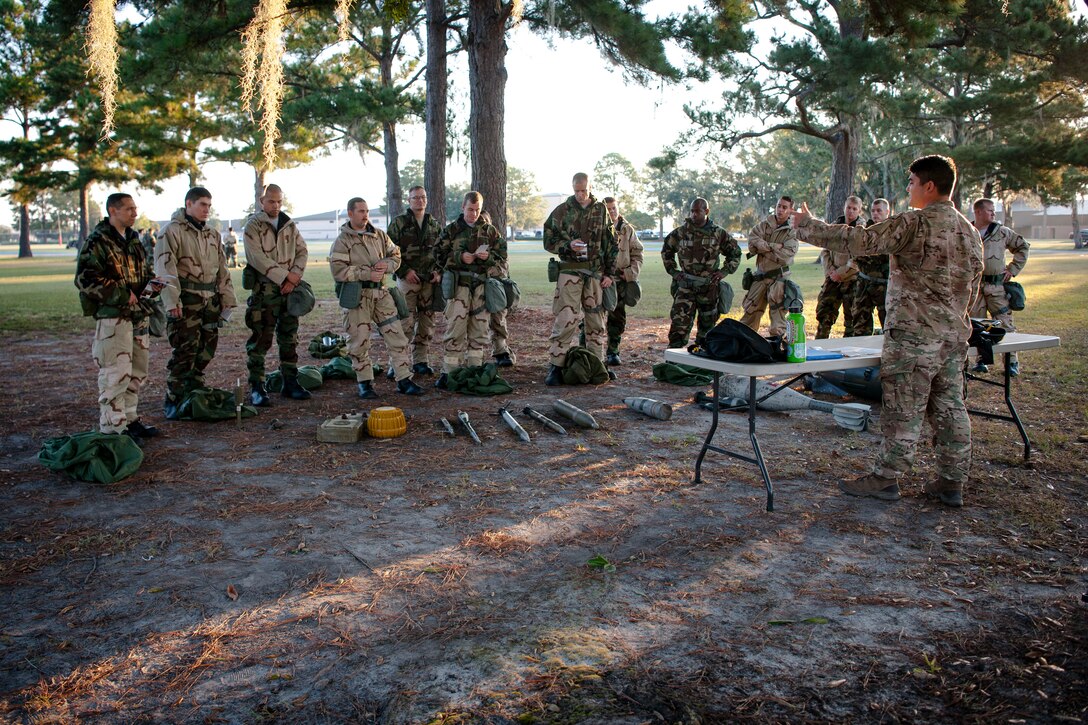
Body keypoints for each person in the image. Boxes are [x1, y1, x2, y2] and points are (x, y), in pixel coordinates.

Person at [791, 154, 984, 507]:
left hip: (914, 338)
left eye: (911, 182)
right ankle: (951, 482)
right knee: (950, 407)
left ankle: (885, 478)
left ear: (929, 186)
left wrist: (806, 226)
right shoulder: (970, 232)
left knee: (902, 409)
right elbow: (973, 284)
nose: (908, 188)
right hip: (953, 337)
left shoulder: (915, 224)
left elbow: (859, 241)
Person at [75, 193, 162, 442]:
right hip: (114, 318)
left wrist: (152, 283)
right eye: (129, 209)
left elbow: (143, 271)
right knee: (115, 372)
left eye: (135, 208)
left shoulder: (133, 239)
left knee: (137, 371)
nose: (135, 213)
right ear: (113, 211)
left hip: (138, 315)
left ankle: (130, 420)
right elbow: (85, 280)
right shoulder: (97, 241)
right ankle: (113, 428)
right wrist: (122, 295)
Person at [329, 198, 425, 399]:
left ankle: (404, 379)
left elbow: (396, 255)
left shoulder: (379, 235)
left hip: (381, 294)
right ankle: (364, 383)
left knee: (397, 335)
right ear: (350, 213)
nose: (365, 215)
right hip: (357, 296)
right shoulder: (343, 241)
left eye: (367, 211)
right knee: (359, 340)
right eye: (361, 211)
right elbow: (338, 271)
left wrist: (387, 265)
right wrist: (366, 274)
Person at [155, 187, 237, 418]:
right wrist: (172, 301)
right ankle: (174, 396)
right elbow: (165, 268)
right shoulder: (171, 231)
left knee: (206, 348)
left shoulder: (212, 234)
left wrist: (227, 299)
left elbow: (222, 268)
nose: (206, 210)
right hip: (187, 299)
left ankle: (195, 388)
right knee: (185, 349)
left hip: (210, 300)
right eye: (202, 204)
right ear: (188, 204)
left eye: (209, 205)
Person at [542, 172, 617, 385]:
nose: (581, 194)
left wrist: (610, 273)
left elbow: (611, 242)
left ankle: (597, 363)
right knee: (566, 318)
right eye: (577, 190)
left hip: (594, 273)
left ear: (590, 187)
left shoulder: (600, 210)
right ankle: (556, 366)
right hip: (570, 272)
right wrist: (566, 246)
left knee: (595, 320)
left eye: (584, 190)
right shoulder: (562, 211)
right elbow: (547, 239)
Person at [242, 183, 310, 405]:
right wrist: (285, 277)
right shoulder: (253, 226)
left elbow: (302, 251)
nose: (276, 205)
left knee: (289, 336)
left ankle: (290, 382)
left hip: (289, 289)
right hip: (265, 290)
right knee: (261, 338)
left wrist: (294, 277)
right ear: (262, 201)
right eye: (272, 201)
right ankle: (257, 387)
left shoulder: (289, 225)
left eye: (280, 201)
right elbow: (257, 258)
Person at [432, 192, 508, 389]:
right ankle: (449, 372)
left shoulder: (490, 231)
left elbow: (502, 257)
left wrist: (487, 258)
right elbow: (438, 255)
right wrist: (459, 257)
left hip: (481, 288)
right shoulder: (451, 230)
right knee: (455, 329)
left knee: (479, 330)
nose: (473, 214)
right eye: (470, 210)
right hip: (459, 287)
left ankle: (475, 370)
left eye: (477, 210)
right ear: (462, 208)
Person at [661, 197, 741, 349]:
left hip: (708, 288)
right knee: (679, 326)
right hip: (686, 287)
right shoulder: (681, 232)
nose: (693, 215)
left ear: (706, 211)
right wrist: (674, 272)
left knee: (707, 329)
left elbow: (735, 253)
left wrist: (724, 272)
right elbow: (667, 250)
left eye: (697, 211)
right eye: (692, 211)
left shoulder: (718, 233)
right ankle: (674, 362)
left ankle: (704, 363)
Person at [385, 186, 443, 377]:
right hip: (407, 281)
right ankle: (398, 364)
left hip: (429, 282)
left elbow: (441, 252)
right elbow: (388, 252)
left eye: (423, 197)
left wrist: (438, 272)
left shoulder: (434, 224)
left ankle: (420, 361)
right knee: (404, 323)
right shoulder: (399, 223)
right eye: (415, 198)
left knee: (427, 324)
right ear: (409, 201)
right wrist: (404, 270)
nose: (419, 201)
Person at [970, 198, 1030, 376]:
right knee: (978, 325)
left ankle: (1011, 362)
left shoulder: (1002, 232)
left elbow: (1023, 246)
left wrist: (1013, 269)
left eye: (994, 211)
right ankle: (982, 360)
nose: (993, 214)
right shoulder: (967, 231)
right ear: (978, 212)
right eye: (990, 210)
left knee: (1005, 324)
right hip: (975, 288)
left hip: (996, 287)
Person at [739, 195, 798, 336]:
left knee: (778, 322)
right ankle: (745, 348)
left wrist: (763, 249)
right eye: (779, 206)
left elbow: (785, 256)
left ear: (791, 210)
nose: (780, 210)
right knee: (749, 317)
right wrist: (773, 246)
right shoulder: (764, 225)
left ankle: (779, 348)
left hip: (779, 280)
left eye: (785, 207)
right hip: (759, 278)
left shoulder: (793, 230)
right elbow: (752, 242)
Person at [602, 196, 644, 366]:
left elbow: (638, 254)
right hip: (601, 279)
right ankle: (589, 351)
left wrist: (629, 274)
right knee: (592, 316)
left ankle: (613, 351)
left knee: (617, 317)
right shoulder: (598, 228)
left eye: (613, 208)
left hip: (620, 280)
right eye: (608, 209)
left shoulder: (627, 230)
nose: (611, 211)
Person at [814, 196, 862, 338]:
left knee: (852, 317)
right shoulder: (834, 226)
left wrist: (841, 273)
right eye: (848, 207)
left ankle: (849, 346)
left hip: (851, 279)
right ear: (844, 208)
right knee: (824, 313)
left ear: (859, 211)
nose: (851, 211)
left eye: (854, 209)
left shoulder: (862, 229)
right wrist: (830, 270)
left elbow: (859, 258)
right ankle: (820, 343)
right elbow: (825, 250)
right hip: (832, 278)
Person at [851, 198, 892, 336]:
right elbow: (856, 253)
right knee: (860, 324)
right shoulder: (864, 230)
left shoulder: (893, 230)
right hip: (864, 283)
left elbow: (887, 256)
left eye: (879, 210)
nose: (875, 214)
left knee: (888, 324)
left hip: (885, 286)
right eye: (873, 211)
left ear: (887, 212)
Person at [481, 211, 516, 368]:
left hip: (495, 287)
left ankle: (501, 351)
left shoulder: (497, 242)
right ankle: (472, 354)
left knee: (498, 320)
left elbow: (502, 267)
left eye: (485, 222)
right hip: (474, 287)